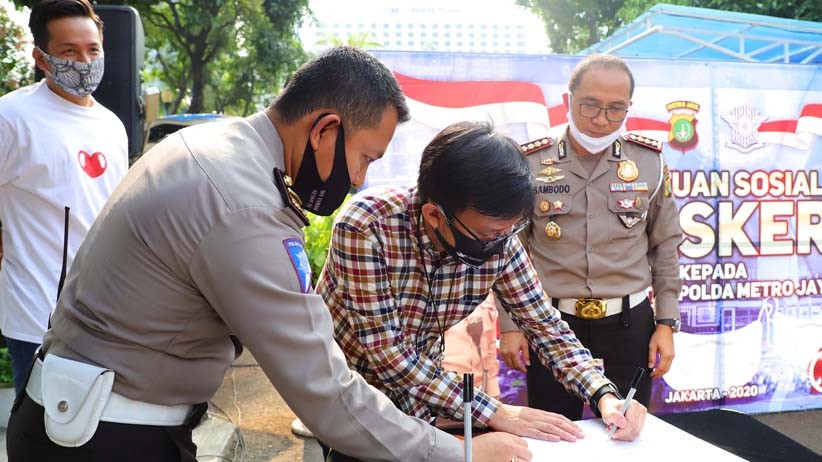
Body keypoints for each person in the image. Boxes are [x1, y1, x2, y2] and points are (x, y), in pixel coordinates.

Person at [5, 47, 532, 462]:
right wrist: (460, 452)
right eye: (364, 157)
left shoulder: (217, 150)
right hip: (105, 439)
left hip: (87, 416)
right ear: (325, 129)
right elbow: (324, 388)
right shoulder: (246, 207)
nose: (359, 180)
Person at [317, 120, 647, 460]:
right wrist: (494, 412)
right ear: (435, 215)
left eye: (509, 230)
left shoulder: (498, 239)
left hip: (423, 397)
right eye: (490, 234)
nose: (501, 243)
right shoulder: (367, 228)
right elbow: (389, 357)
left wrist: (604, 395)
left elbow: (545, 327)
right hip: (352, 395)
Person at [499, 53, 683, 420]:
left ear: (629, 107)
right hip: (551, 325)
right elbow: (508, 250)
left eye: (615, 109)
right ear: (568, 101)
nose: (601, 120)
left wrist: (666, 324)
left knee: (626, 430)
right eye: (590, 106)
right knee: (556, 431)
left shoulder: (647, 162)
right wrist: (510, 326)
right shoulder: (531, 162)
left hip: (630, 326)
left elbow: (665, 246)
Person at [0, 0, 127, 396]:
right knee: (42, 440)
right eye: (68, 51)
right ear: (41, 57)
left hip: (106, 317)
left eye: (93, 50)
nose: (84, 61)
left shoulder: (111, 125)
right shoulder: (12, 117)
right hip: (38, 320)